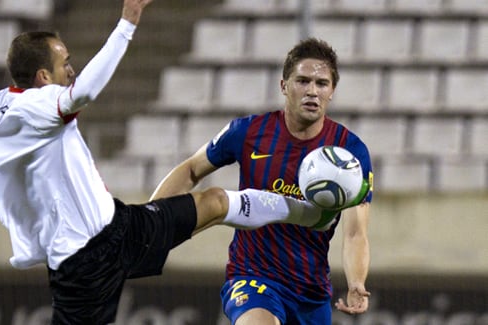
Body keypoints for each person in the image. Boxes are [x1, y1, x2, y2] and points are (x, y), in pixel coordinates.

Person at [0, 2, 359, 324]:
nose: (71, 67)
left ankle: (307, 212)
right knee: (217, 201)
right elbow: (85, 90)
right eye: (63, 62)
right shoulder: (44, 105)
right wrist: (127, 24)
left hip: (119, 226)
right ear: (43, 78)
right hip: (87, 263)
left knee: (219, 201)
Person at [150, 38, 374, 325]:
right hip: (253, 277)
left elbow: (356, 231)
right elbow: (192, 169)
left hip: (311, 293)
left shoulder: (350, 153)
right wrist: (150, 219)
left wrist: (357, 281)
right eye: (302, 81)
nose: (312, 91)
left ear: (332, 91)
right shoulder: (249, 131)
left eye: (321, 83)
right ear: (284, 86)